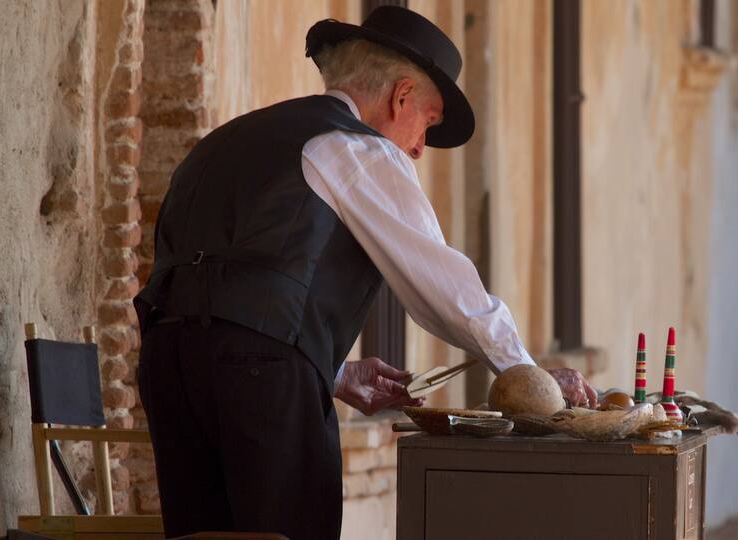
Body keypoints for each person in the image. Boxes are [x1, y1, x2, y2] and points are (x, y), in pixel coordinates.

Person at [134, 6, 596, 539]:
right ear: (401, 96)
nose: (421, 148)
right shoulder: (359, 148)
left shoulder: (223, 141)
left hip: (166, 363)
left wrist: (331, 372)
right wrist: (527, 376)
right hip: (262, 375)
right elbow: (445, 289)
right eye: (427, 121)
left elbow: (221, 291)